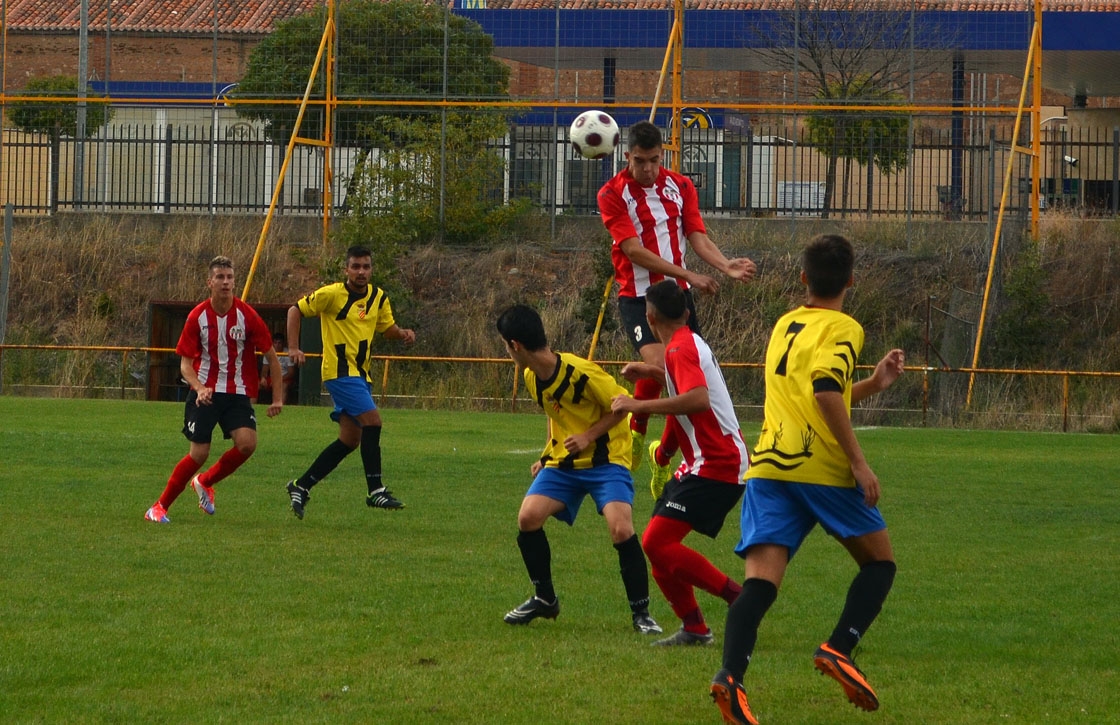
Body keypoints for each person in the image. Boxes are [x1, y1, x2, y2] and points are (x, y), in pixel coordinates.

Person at [710, 234, 905, 725]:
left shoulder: (785, 324)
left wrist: (873, 384)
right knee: (879, 565)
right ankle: (840, 648)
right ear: (852, 281)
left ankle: (730, 678)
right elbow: (823, 393)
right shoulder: (844, 327)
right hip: (819, 467)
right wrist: (858, 462)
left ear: (803, 279)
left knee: (759, 585)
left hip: (770, 467)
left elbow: (817, 392)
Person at [597, 120, 756, 497]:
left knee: (683, 381)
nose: (648, 168)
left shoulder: (681, 186)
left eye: (654, 160)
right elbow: (633, 251)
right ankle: (638, 434)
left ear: (663, 154)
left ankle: (664, 455)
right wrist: (691, 275)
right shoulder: (612, 194)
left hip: (678, 297)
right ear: (627, 156)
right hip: (638, 298)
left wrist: (723, 266)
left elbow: (696, 235)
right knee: (663, 370)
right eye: (640, 161)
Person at [496, 303, 662, 635]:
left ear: (514, 345)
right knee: (528, 518)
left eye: (504, 344)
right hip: (565, 465)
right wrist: (547, 455)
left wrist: (588, 436)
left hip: (607, 460)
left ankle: (641, 614)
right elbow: (554, 412)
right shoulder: (531, 376)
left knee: (621, 529)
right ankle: (544, 599)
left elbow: (622, 405)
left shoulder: (581, 371)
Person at [610, 280, 749, 647]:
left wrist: (637, 406)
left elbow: (698, 399)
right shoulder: (686, 343)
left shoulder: (679, 350)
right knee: (657, 546)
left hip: (719, 464)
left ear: (650, 317)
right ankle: (694, 628)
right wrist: (650, 373)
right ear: (686, 312)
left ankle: (740, 599)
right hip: (705, 462)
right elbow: (683, 388)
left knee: (656, 541)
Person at [144, 255, 283, 524]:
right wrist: (199, 388)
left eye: (230, 277)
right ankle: (159, 507)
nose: (226, 282)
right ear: (210, 282)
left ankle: (205, 482)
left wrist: (277, 398)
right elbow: (185, 365)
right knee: (199, 453)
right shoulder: (197, 316)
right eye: (220, 277)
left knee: (247, 445)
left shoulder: (246, 315)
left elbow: (272, 357)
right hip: (205, 393)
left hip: (237, 393)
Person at [284, 245, 416, 519]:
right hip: (340, 373)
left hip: (361, 375)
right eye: (355, 267)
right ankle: (376, 490)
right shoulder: (332, 294)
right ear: (346, 269)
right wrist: (294, 348)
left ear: (371, 269)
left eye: (366, 267)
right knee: (374, 422)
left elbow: (386, 328)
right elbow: (294, 310)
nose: (361, 272)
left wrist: (401, 333)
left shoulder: (379, 298)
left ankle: (302, 486)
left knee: (349, 440)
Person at [259, 332, 296, 404]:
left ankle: (280, 407)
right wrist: (263, 378)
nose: (277, 345)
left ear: (283, 344)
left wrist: (278, 380)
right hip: (272, 378)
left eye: (279, 343)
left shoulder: (288, 353)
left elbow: (291, 373)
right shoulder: (268, 352)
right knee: (256, 385)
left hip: (284, 378)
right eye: (275, 343)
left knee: (284, 386)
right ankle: (253, 407)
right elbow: (264, 370)